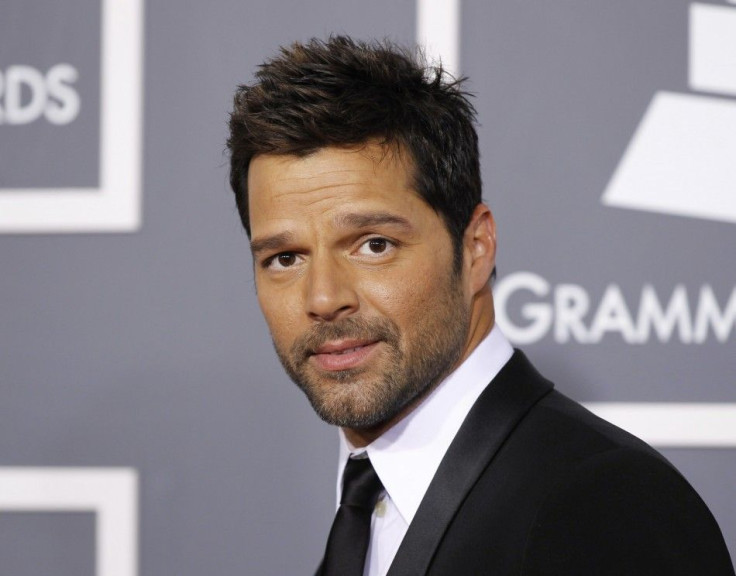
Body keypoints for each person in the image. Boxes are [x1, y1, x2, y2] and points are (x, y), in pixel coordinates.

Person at [227, 36, 734, 576]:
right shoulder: (364, 505)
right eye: (284, 259)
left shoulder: (606, 508)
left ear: (475, 247)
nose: (324, 298)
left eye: (375, 245)